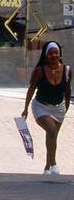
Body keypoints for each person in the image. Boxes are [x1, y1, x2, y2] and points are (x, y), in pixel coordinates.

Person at [22, 40, 71, 176]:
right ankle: (54, 163)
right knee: (51, 130)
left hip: (59, 108)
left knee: (52, 136)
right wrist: (25, 108)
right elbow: (31, 89)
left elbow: (67, 91)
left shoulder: (67, 70)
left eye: (56, 53)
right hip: (41, 107)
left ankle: (47, 166)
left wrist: (65, 108)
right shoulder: (39, 71)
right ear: (45, 56)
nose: (54, 55)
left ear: (60, 54)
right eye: (50, 53)